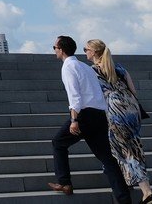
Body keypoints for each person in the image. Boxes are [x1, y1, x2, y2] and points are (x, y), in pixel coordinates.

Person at [49, 35, 132, 202]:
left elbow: (75, 97)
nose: (54, 51)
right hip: (99, 115)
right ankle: (124, 199)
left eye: (54, 48)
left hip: (84, 115)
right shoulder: (85, 67)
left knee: (58, 142)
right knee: (107, 158)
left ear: (62, 50)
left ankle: (64, 183)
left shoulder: (68, 67)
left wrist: (74, 120)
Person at [86, 39, 152, 203]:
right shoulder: (119, 68)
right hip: (131, 109)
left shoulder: (93, 71)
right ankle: (128, 180)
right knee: (124, 146)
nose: (85, 52)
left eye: (86, 49)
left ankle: (147, 193)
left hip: (114, 111)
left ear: (95, 52)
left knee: (129, 152)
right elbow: (133, 91)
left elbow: (94, 96)